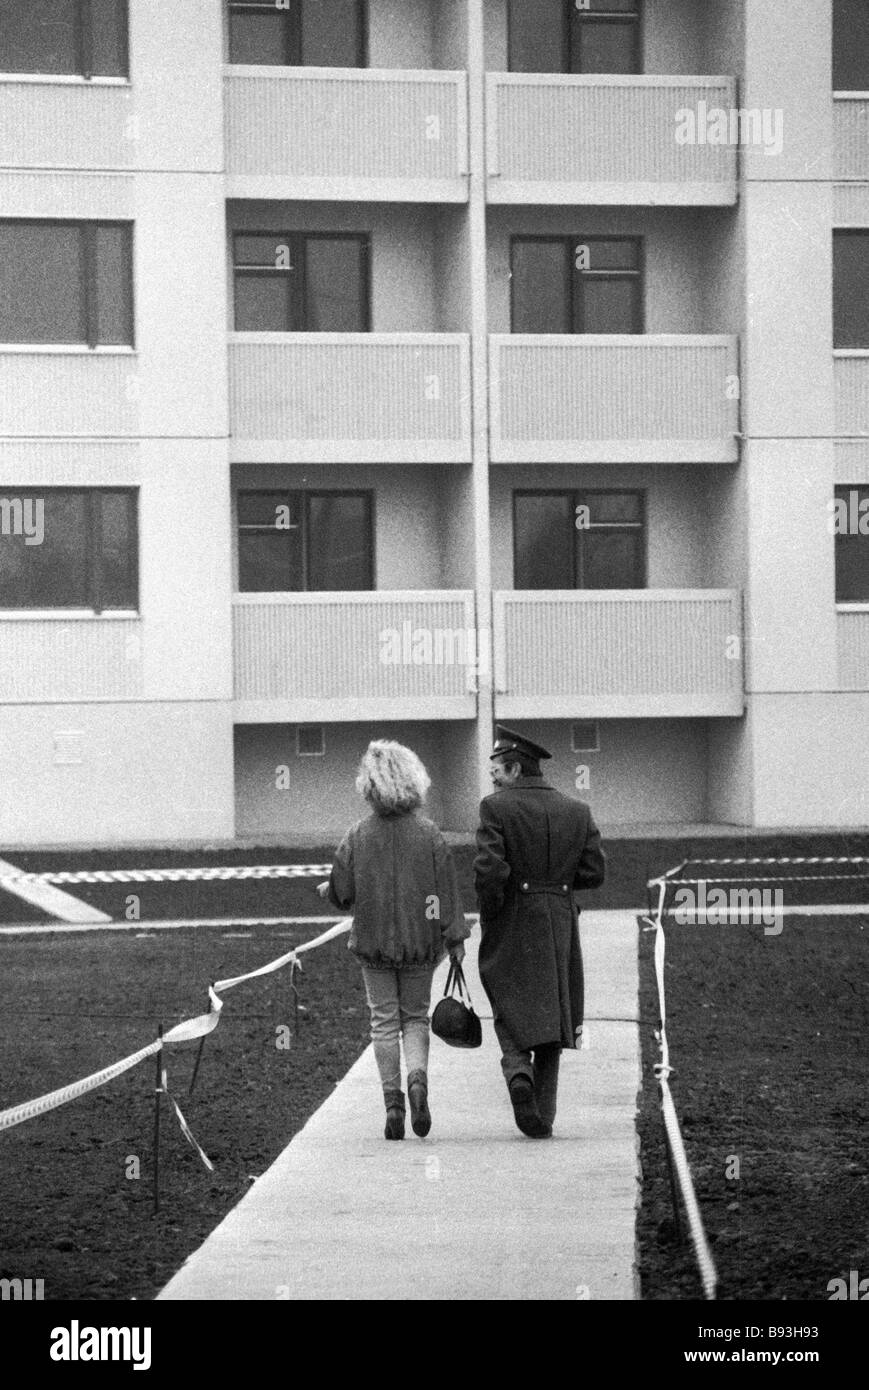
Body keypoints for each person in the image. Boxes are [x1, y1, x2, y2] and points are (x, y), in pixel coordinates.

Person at [321, 740, 469, 1141]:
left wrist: (329, 891)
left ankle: (393, 1103)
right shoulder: (430, 835)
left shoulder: (357, 835)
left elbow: (343, 892)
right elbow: (442, 895)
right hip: (421, 943)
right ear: (412, 781)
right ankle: (418, 1081)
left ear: (368, 785)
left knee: (383, 1022)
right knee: (415, 1018)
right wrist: (448, 935)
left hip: (373, 943)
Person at [473, 726, 606, 1139]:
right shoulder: (578, 811)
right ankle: (543, 1116)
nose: (492, 776)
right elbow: (594, 872)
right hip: (560, 921)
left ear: (514, 768)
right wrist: (558, 889)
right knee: (553, 1010)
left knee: (506, 997)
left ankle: (517, 1072)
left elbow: (489, 872)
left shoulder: (495, 809)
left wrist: (492, 913)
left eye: (496, 768)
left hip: (513, 916)